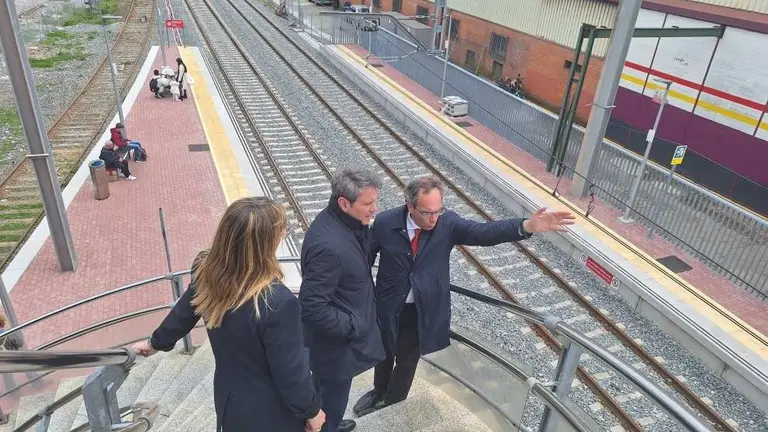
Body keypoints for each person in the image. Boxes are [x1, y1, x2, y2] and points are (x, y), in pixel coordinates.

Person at [353, 176, 576, 416]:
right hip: (387, 304)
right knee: (383, 350)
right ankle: (378, 390)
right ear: (410, 206)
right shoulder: (386, 222)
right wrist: (360, 298)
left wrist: (526, 227)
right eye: (427, 212)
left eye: (438, 211)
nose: (433, 218)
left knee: (407, 360)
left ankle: (391, 402)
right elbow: (364, 258)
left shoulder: (447, 224)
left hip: (421, 310)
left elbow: (483, 232)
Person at [132, 197, 326, 432]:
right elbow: (290, 373)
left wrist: (155, 343)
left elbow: (185, 310)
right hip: (272, 413)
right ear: (265, 243)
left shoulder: (206, 269)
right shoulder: (278, 303)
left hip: (230, 401)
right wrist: (311, 411)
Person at [299, 168, 386, 432]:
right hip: (335, 349)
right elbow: (312, 306)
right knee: (330, 405)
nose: (374, 209)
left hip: (337, 344)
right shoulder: (329, 246)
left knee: (327, 399)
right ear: (344, 203)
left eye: (375, 201)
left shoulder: (346, 225)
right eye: (368, 204)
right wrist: (352, 325)